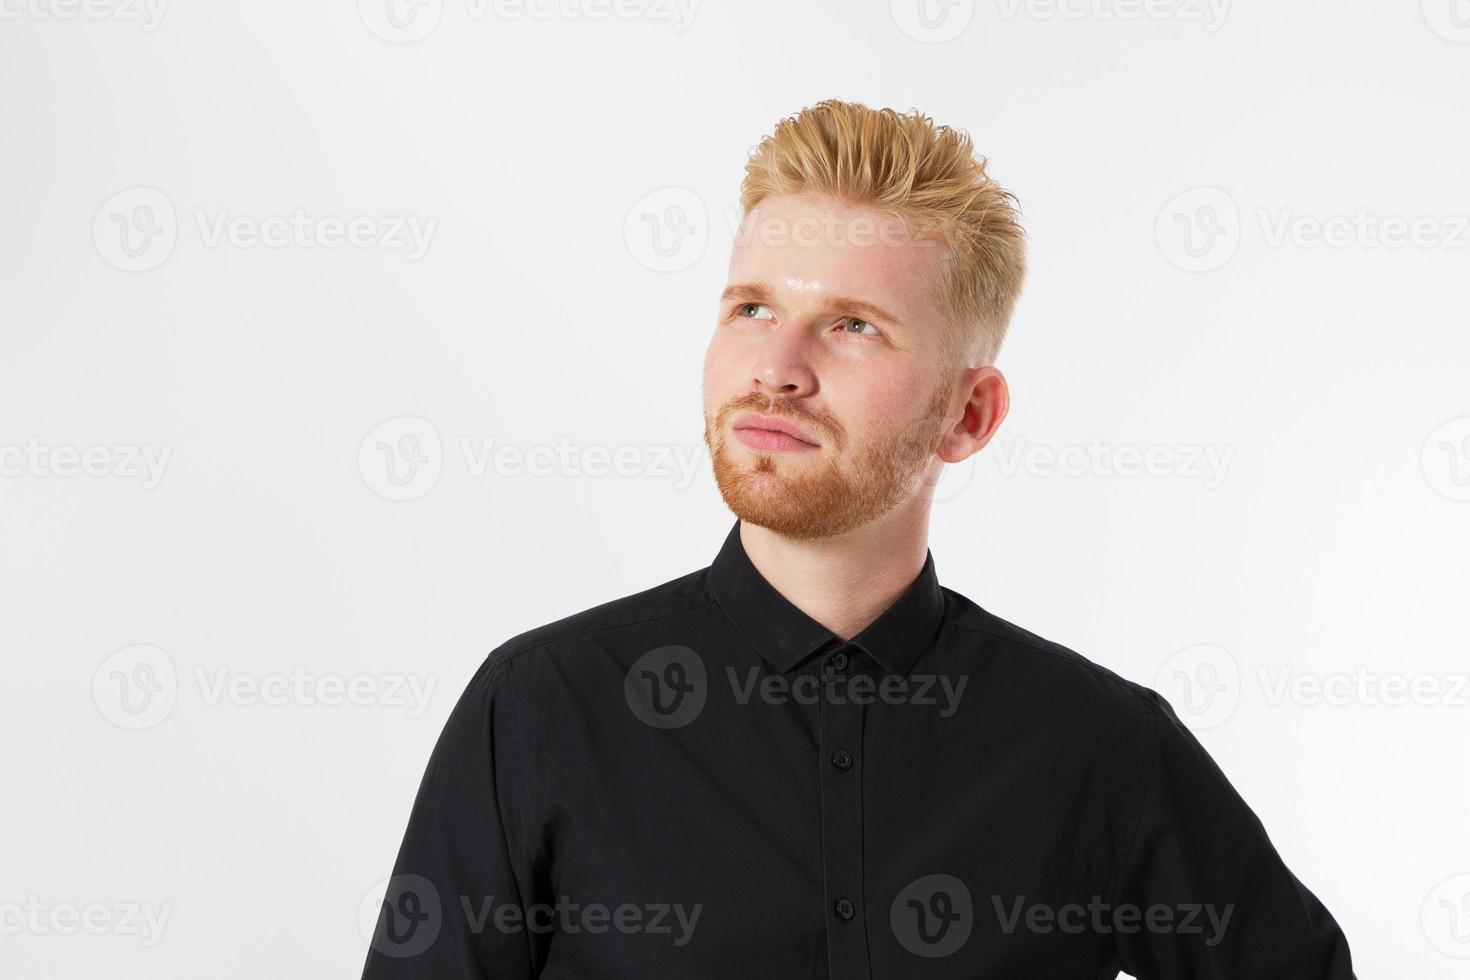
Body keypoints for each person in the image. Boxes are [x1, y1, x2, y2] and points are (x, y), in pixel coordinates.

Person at [361, 98, 1356, 978]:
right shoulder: (536, 712)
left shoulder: (1102, 748)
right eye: (752, 307)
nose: (777, 368)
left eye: (852, 326)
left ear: (968, 416)